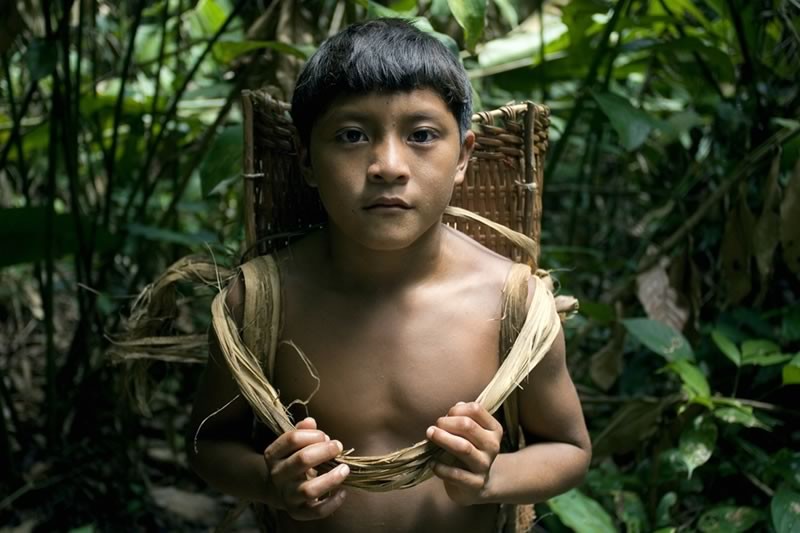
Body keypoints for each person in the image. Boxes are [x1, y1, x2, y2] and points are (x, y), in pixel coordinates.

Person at [187, 18, 591, 533]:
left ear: (464, 156)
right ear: (307, 160)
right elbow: (207, 442)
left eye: (422, 135)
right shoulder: (262, 301)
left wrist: (492, 478)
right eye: (352, 135)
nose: (388, 165)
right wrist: (272, 481)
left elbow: (570, 449)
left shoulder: (513, 304)